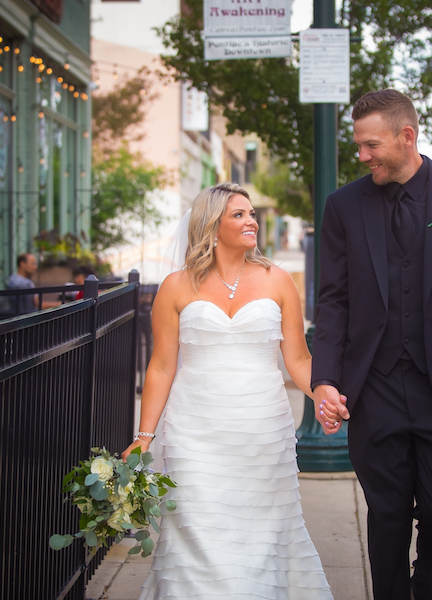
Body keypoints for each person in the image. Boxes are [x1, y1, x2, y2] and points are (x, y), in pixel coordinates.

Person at [312, 89, 432, 600]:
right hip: (373, 389)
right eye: (358, 146)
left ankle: (429, 582)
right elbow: (333, 301)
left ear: (407, 136)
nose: (363, 156)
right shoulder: (344, 206)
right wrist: (326, 379)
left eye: (371, 144)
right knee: (389, 512)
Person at [122, 182, 333, 599]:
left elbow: (299, 359)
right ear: (211, 225)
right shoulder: (175, 287)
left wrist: (323, 394)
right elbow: (162, 366)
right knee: (195, 534)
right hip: (194, 432)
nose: (251, 220)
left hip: (262, 431)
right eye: (238, 214)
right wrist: (144, 437)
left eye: (251, 213)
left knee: (262, 536)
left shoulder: (278, 281)